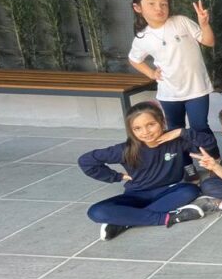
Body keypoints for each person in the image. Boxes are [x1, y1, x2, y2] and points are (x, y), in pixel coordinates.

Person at [78, 102, 212, 240]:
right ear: (131, 131)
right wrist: (117, 176)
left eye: (151, 124)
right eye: (137, 128)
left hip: (169, 191)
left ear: (162, 122)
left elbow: (209, 143)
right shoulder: (125, 149)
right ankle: (167, 218)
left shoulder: (177, 141)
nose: (146, 132)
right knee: (96, 212)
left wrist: (181, 132)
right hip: (136, 195)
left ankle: (126, 222)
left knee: (190, 190)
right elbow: (86, 161)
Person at [127, 0, 217, 156]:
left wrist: (204, 24)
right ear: (138, 8)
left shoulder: (181, 22)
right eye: (152, 4)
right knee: (175, 130)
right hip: (169, 93)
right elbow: (134, 59)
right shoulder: (143, 38)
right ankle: (186, 165)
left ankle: (214, 161)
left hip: (197, 88)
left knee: (200, 126)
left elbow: (209, 41)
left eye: (164, 4)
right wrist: (151, 73)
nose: (159, 8)